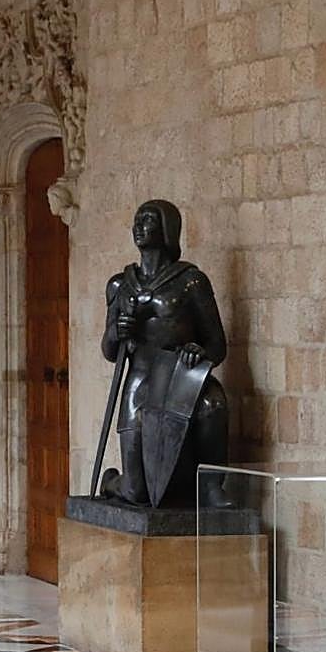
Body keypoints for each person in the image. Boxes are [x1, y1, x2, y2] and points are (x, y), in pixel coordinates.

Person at [99, 199, 231, 509]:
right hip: (140, 380)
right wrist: (117, 331)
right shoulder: (120, 285)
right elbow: (109, 351)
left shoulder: (190, 282)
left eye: (148, 220)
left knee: (213, 403)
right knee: (137, 492)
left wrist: (199, 351)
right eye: (137, 220)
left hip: (180, 378)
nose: (139, 226)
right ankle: (112, 482)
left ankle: (211, 485)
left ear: (168, 229)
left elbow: (218, 345)